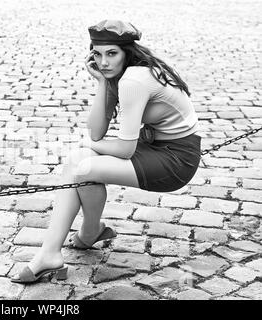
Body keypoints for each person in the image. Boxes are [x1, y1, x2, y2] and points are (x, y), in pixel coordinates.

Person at [11, 19, 202, 283]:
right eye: (97, 54)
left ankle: (88, 233)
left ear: (127, 52)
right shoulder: (120, 76)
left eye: (112, 53)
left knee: (85, 166)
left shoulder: (135, 79)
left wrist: (89, 146)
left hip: (176, 159)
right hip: (154, 147)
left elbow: (122, 148)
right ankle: (51, 253)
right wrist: (102, 84)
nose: (104, 62)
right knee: (75, 161)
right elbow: (97, 131)